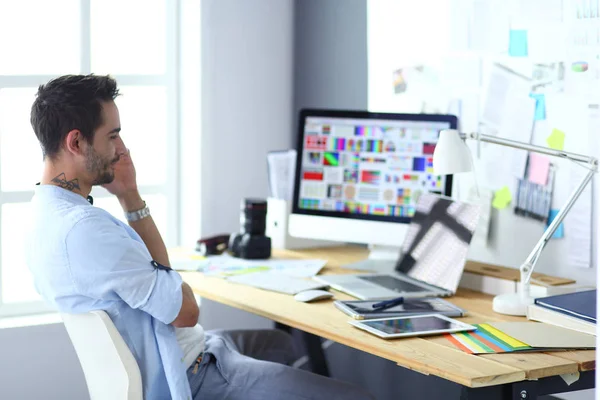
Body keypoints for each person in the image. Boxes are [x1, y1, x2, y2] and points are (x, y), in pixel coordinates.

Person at [25, 74, 375, 400]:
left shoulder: (46, 216)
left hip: (192, 349)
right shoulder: (87, 231)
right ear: (76, 141)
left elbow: (161, 281)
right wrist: (174, 284)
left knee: (279, 344)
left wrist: (129, 196)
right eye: (112, 135)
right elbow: (186, 310)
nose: (121, 149)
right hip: (195, 373)